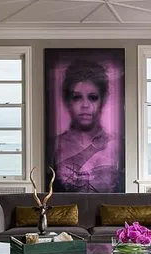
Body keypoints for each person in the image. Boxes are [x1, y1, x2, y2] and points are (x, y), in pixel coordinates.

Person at [50, 59, 121, 192]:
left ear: (103, 99)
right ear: (67, 100)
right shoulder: (54, 144)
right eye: (77, 97)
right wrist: (93, 149)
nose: (85, 105)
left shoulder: (118, 143)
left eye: (93, 97)